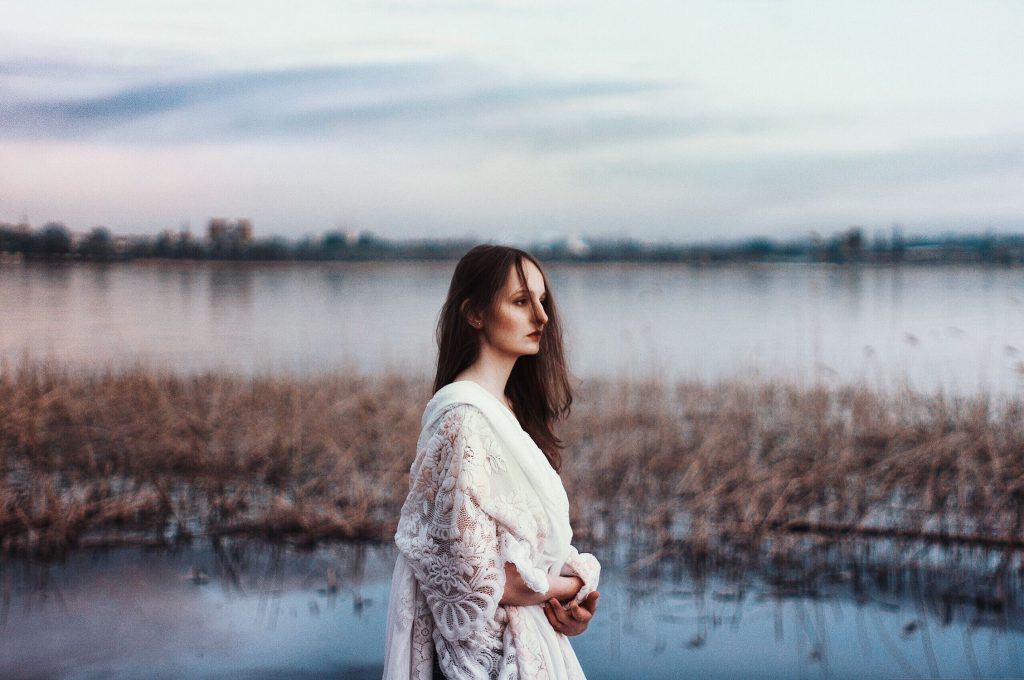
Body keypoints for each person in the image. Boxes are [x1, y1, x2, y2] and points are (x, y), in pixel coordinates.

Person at [383, 245, 601, 680]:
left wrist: (567, 609)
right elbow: (484, 579)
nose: (541, 318)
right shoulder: (461, 421)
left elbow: (527, 562)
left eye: (542, 302)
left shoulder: (509, 411)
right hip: (482, 663)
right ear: (475, 314)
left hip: (528, 648)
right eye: (521, 302)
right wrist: (579, 583)